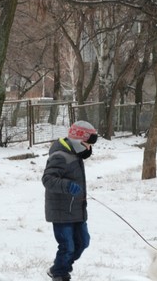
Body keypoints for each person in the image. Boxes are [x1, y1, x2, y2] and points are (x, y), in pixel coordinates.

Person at [42, 120, 98, 281]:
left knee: (83, 242)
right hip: (61, 211)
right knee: (67, 246)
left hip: (76, 210)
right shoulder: (60, 156)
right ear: (78, 140)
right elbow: (47, 179)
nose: (89, 148)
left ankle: (60, 267)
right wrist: (68, 186)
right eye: (88, 143)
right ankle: (60, 274)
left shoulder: (74, 153)